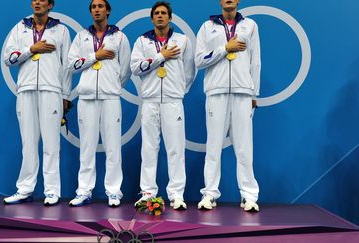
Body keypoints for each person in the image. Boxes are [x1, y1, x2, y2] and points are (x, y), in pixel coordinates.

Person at [2, 0, 72, 206]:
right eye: (34, 0)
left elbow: (67, 65)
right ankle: (25, 189)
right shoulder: (19, 28)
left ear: (50, 5)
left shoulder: (61, 30)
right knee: (28, 143)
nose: (37, 2)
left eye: (42, 0)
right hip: (26, 89)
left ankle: (52, 191)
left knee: (51, 143)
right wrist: (31, 49)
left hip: (51, 90)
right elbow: (9, 59)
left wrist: (66, 95)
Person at [195, 0, 260, 211]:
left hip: (242, 92)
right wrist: (225, 48)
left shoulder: (250, 25)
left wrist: (253, 93)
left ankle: (249, 195)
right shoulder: (207, 27)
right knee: (213, 146)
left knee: (244, 148)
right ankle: (210, 194)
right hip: (217, 92)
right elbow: (199, 60)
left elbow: (255, 61)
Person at [131, 1, 196, 210]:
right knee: (148, 149)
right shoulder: (142, 41)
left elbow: (189, 71)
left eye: (164, 13)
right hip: (150, 101)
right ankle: (148, 192)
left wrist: (178, 91)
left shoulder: (183, 41)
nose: (160, 16)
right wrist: (161, 56)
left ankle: (176, 194)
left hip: (172, 101)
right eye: (156, 13)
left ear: (170, 17)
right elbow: (135, 68)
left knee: (175, 149)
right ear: (152, 18)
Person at [67, 0, 131, 207]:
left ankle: (114, 191)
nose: (96, 10)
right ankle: (84, 190)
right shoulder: (81, 36)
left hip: (110, 97)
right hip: (86, 98)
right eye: (93, 7)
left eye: (100, 6)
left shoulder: (120, 37)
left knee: (113, 146)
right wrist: (95, 56)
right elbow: (72, 65)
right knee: (87, 146)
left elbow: (125, 70)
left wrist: (111, 84)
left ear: (108, 11)